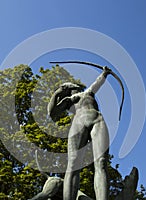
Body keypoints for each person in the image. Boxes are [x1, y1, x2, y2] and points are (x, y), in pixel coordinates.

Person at [47, 67, 111, 200]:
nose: (75, 87)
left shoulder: (88, 93)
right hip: (78, 123)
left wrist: (105, 73)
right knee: (73, 165)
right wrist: (58, 91)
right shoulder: (69, 100)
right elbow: (52, 112)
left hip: (97, 120)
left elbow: (97, 82)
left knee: (102, 162)